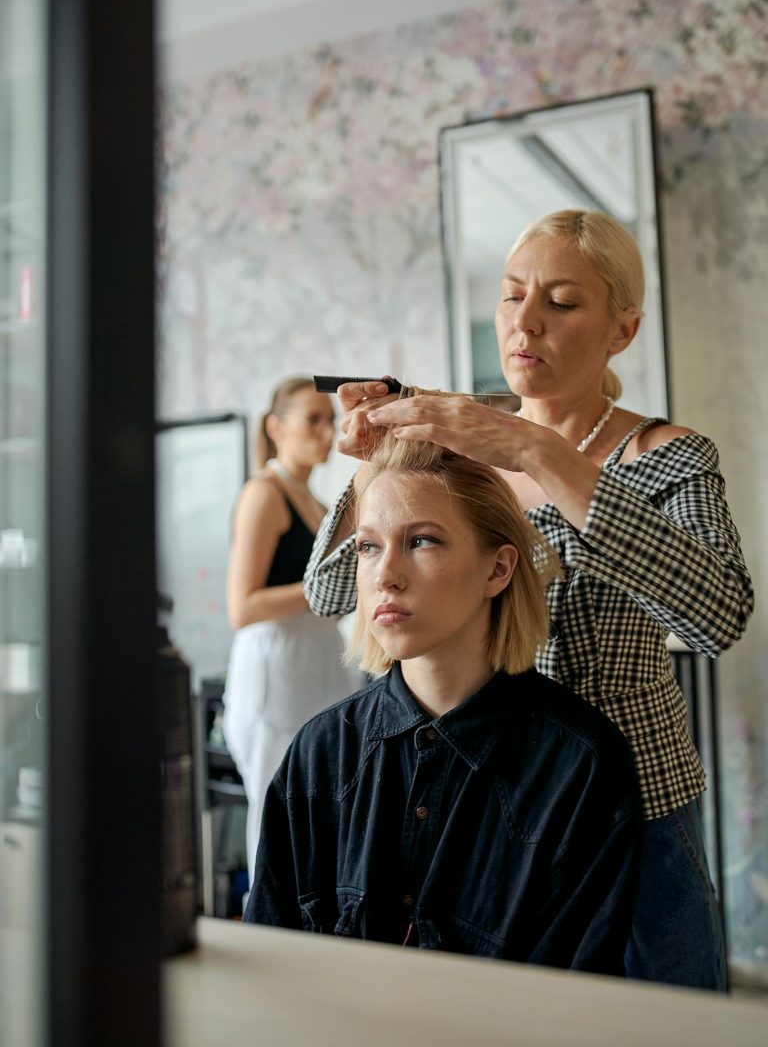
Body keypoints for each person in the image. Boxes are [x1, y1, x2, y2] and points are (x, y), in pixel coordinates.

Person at [303, 209, 754, 990]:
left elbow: (716, 616)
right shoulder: (464, 456)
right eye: (512, 297)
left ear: (622, 328)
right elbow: (330, 590)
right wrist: (374, 469)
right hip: (492, 801)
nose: (526, 322)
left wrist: (539, 452)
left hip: (634, 803)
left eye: (562, 302)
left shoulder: (668, 456)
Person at [245, 432, 642, 974]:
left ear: (497, 570)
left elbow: (572, 1001)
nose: (385, 576)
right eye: (368, 546)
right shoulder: (320, 752)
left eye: (422, 540)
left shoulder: (580, 766)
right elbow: (272, 964)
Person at [222, 376, 361, 883]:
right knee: (276, 806)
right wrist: (324, 589)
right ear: (275, 426)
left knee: (321, 805)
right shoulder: (264, 493)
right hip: (276, 667)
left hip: (318, 663)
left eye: (331, 420)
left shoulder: (318, 503)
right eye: (314, 420)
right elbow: (242, 606)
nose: (327, 431)